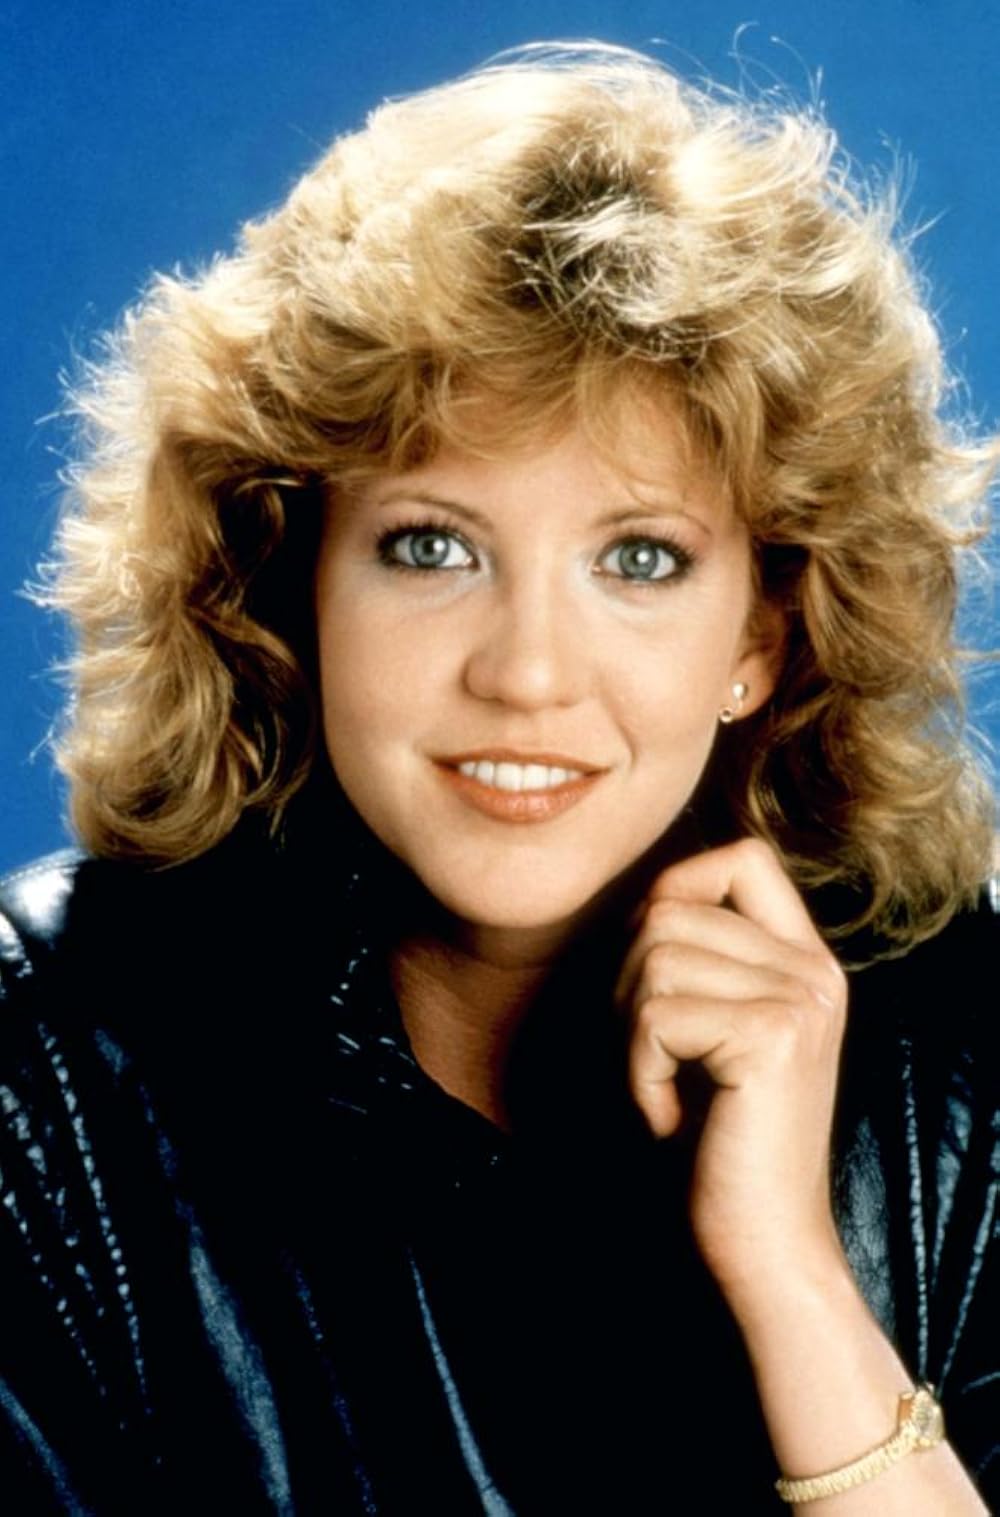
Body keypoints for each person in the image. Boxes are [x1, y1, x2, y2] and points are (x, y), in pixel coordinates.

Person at [1, 42, 997, 1514]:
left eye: (639, 559)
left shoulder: (964, 1048)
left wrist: (794, 1277)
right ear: (291, 584)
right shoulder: (47, 1065)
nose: (528, 673)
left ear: (761, 636)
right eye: (432, 547)